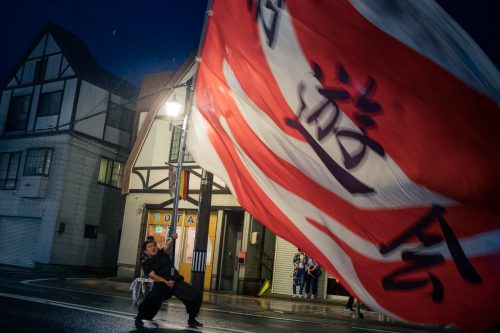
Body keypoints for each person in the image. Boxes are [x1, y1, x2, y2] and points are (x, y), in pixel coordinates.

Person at [135, 235, 203, 329]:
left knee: (195, 296)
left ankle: (192, 319)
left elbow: (167, 246)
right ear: (145, 251)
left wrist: (172, 239)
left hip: (175, 281)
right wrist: (166, 282)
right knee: (152, 298)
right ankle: (140, 318)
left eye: (154, 245)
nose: (153, 248)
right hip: (162, 284)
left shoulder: (162, 253)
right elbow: (152, 275)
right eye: (150, 247)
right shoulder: (146, 263)